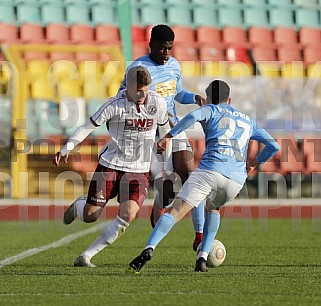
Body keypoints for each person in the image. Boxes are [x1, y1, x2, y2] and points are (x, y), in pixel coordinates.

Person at [127, 80, 280, 273]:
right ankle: (202, 258)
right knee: (213, 209)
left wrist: (168, 137)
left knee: (176, 210)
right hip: (235, 180)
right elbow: (274, 146)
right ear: (229, 99)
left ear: (208, 99)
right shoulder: (248, 120)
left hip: (210, 170)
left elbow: (192, 116)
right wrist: (254, 163)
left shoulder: (211, 110)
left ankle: (149, 248)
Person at [53, 66, 169, 267]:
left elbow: (166, 129)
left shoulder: (157, 103)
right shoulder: (115, 104)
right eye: (139, 90)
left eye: (146, 90)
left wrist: (166, 141)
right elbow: (88, 126)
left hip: (139, 171)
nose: (143, 95)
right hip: (111, 166)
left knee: (128, 214)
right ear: (128, 87)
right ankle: (79, 205)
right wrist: (67, 147)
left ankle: (86, 256)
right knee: (90, 216)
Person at [120, 24, 206, 251]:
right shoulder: (138, 68)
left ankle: (199, 235)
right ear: (151, 45)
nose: (166, 53)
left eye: (169, 48)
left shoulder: (174, 65)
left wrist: (194, 97)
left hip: (174, 127)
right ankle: (160, 202)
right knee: (166, 187)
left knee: (190, 175)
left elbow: (178, 93)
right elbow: (121, 96)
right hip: (150, 133)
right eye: (162, 48)